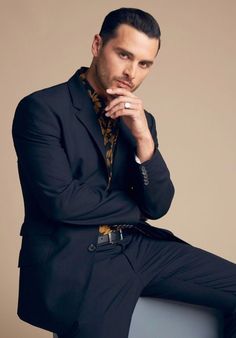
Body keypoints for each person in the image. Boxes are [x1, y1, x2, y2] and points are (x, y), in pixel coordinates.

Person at [12, 7, 236, 338]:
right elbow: (61, 202)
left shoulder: (142, 122)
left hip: (136, 248)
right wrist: (134, 208)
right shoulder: (42, 109)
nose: (131, 71)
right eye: (123, 55)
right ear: (97, 45)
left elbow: (158, 206)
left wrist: (144, 139)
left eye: (144, 63)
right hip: (78, 258)